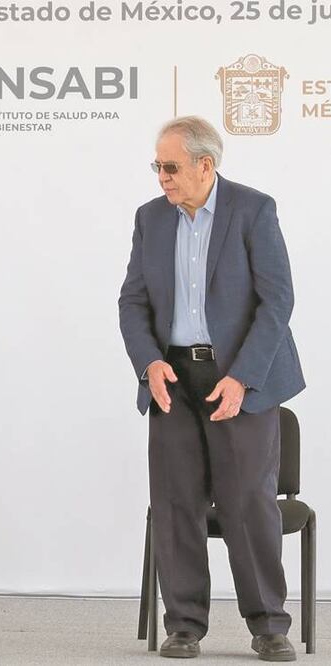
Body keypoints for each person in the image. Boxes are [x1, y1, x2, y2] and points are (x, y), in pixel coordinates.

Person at [119, 116, 304, 662]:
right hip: (173, 378)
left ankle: (269, 625)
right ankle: (184, 626)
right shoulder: (150, 219)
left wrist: (243, 378)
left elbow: (278, 302)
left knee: (248, 501)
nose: (162, 178)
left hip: (241, 377)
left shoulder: (254, 210)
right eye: (157, 166)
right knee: (176, 502)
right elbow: (132, 302)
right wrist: (149, 362)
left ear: (206, 164)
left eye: (171, 167)